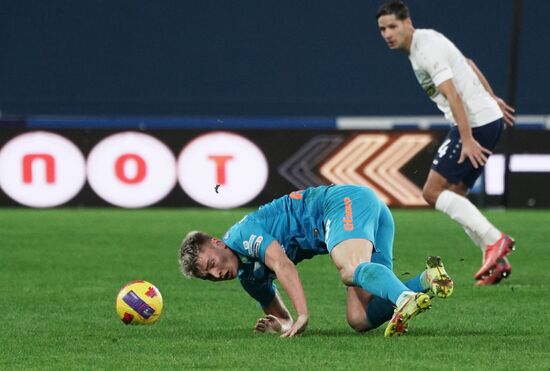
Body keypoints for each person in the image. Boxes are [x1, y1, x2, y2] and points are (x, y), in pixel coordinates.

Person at [179, 184, 453, 337]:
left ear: (217, 243)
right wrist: (281, 324)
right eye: (208, 277)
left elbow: (282, 264)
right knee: (359, 318)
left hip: (341, 204)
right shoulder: (249, 278)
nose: (216, 275)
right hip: (364, 215)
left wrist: (303, 314)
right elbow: (284, 318)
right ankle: (425, 279)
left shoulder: (242, 235)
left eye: (211, 264)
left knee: (350, 269)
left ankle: (404, 297)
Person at [376, 1, 516, 285]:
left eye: (392, 26)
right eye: (382, 29)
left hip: (474, 124)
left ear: (407, 23)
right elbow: (470, 65)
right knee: (456, 193)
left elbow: (453, 94)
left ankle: (495, 240)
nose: (387, 33)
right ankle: (496, 261)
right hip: (485, 119)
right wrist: (493, 99)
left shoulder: (425, 51)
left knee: (432, 192)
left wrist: (466, 139)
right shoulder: (426, 40)